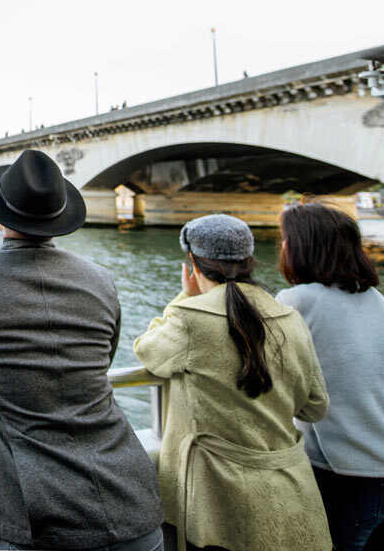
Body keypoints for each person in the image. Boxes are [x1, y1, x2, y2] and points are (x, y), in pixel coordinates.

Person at [0, 149, 165, 551]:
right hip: (132, 500)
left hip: (38, 514)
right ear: (58, 221)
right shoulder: (101, 280)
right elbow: (101, 360)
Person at [133, 213, 331, 551]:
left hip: (216, 499)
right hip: (290, 491)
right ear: (249, 261)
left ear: (192, 262)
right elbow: (314, 407)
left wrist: (185, 297)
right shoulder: (289, 316)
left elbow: (148, 351)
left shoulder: (190, 317)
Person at [275, 202, 384, 551]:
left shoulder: (297, 300)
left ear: (303, 247)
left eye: (285, 240)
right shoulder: (376, 299)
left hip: (347, 478)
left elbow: (265, 372)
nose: (281, 248)